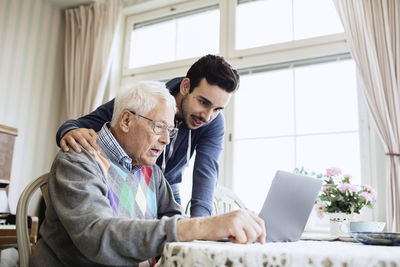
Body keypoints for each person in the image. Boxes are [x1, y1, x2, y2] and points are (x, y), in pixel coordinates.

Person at [32, 81, 265, 267]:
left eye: (170, 130)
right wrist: (201, 227)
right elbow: (97, 236)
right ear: (125, 120)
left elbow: (176, 218)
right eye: (159, 127)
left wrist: (217, 231)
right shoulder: (79, 159)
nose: (165, 140)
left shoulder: (150, 171)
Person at [56, 54, 240, 217]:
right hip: (130, 178)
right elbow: (81, 124)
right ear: (186, 86)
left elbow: (206, 172)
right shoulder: (149, 101)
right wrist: (69, 131)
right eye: (203, 102)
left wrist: (201, 225)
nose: (207, 116)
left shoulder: (213, 122)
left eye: (217, 109)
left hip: (165, 186)